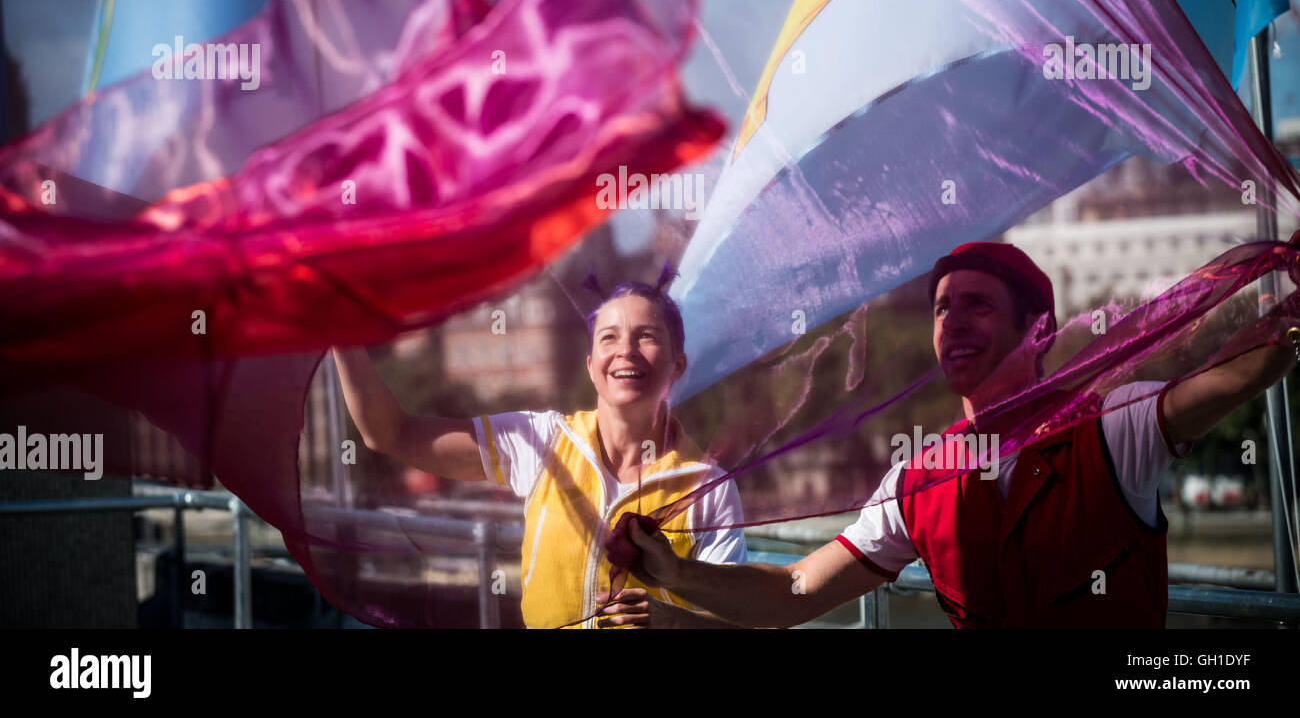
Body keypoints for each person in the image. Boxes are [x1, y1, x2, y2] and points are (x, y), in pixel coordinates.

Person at [617, 240, 1300, 628]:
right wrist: (678, 574)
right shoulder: (919, 477)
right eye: (943, 308)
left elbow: (1244, 373)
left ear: (1038, 331)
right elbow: (794, 589)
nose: (954, 321)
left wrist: (1286, 299)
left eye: (978, 303)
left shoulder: (1113, 428)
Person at [331, 271, 746, 628]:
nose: (626, 350)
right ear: (590, 364)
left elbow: (737, 619)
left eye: (647, 336)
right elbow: (391, 434)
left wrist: (669, 621)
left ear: (678, 365)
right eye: (609, 337)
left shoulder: (709, 487)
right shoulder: (541, 440)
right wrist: (340, 336)